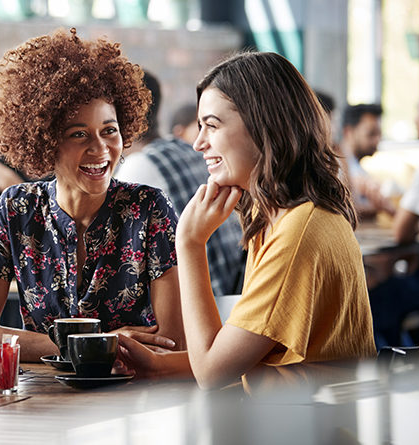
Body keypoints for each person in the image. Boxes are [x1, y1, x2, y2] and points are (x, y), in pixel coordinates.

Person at [114, 51, 376, 390]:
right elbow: (246, 356)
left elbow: (211, 372)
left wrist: (190, 243)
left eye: (212, 125)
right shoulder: (277, 217)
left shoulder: (298, 232)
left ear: (263, 125)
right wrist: (158, 365)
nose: (198, 143)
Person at [0, 28, 185, 363]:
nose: (100, 149)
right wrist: (98, 343)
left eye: (109, 131)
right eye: (78, 134)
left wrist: (46, 346)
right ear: (46, 141)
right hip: (43, 397)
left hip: (132, 395)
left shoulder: (149, 209)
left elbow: (172, 343)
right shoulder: (16, 208)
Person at [114, 71, 244, 297]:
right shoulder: (187, 151)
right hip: (232, 298)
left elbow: (124, 273)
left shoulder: (137, 169)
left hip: (200, 310)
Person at [339, 103, 394, 218]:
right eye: (371, 134)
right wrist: (384, 207)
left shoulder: (360, 171)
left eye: (379, 134)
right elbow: (344, 210)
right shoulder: (335, 165)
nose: (377, 140)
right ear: (348, 132)